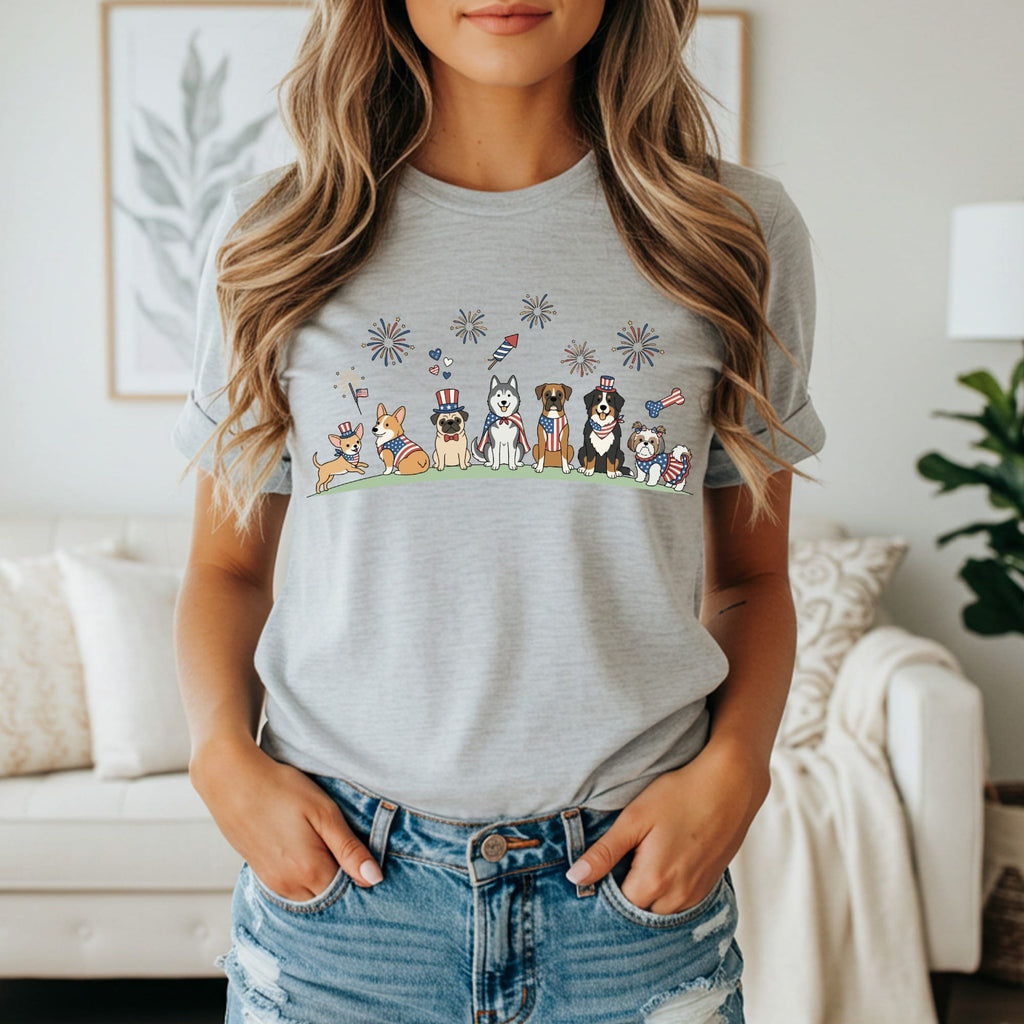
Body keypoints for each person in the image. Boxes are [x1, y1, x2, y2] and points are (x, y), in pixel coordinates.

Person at [171, 1, 826, 1021]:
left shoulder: (732, 233)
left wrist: (736, 770)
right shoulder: (276, 236)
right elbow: (226, 570)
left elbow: (750, 577)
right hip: (345, 908)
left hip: (626, 904)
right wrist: (220, 760)